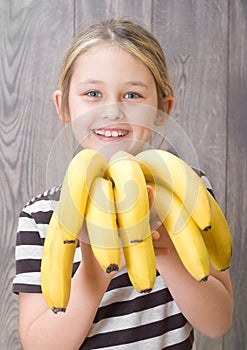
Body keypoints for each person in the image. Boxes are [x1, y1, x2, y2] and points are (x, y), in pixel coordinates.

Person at [13, 18, 233, 350]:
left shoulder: (187, 191)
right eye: (92, 94)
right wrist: (94, 270)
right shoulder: (42, 217)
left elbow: (218, 323)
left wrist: (168, 250)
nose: (113, 110)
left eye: (132, 94)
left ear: (163, 110)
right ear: (64, 107)